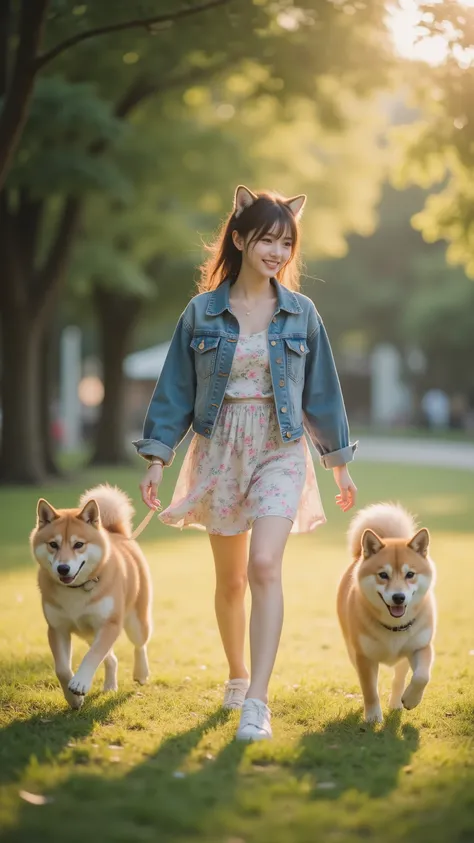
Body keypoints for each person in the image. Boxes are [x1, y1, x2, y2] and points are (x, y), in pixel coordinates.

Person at [134, 185, 358, 741]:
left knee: (264, 567)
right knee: (231, 581)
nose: (278, 251)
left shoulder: (301, 314)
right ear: (239, 238)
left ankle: (257, 700)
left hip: (280, 448)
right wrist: (157, 458)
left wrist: (338, 463)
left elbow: (322, 394)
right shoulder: (202, 312)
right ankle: (236, 675)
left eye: (287, 242)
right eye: (267, 239)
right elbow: (174, 390)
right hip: (220, 449)